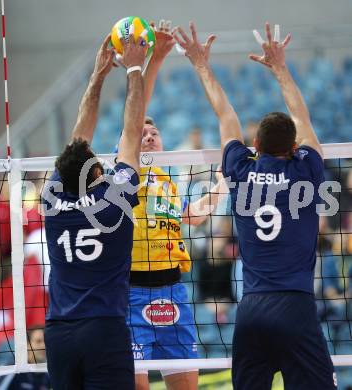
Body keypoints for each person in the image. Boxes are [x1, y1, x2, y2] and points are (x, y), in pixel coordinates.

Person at [174, 21, 337, 389]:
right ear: (294, 148)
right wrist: (280, 68)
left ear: (256, 147)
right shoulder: (307, 170)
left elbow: (226, 117)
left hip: (252, 308)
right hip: (295, 306)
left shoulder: (240, 171)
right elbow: (303, 120)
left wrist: (201, 65)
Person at [42, 31, 147, 390]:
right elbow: (132, 134)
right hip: (103, 328)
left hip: (59, 333)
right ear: (97, 172)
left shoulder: (52, 198)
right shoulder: (113, 199)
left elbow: (78, 140)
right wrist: (135, 69)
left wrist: (97, 76)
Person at [124, 21, 226, 390]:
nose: (149, 136)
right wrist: (156, 58)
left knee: (186, 385)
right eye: (143, 133)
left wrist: (220, 188)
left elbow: (190, 217)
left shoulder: (168, 182)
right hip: (130, 293)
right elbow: (134, 123)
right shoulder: (127, 171)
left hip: (173, 292)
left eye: (155, 133)